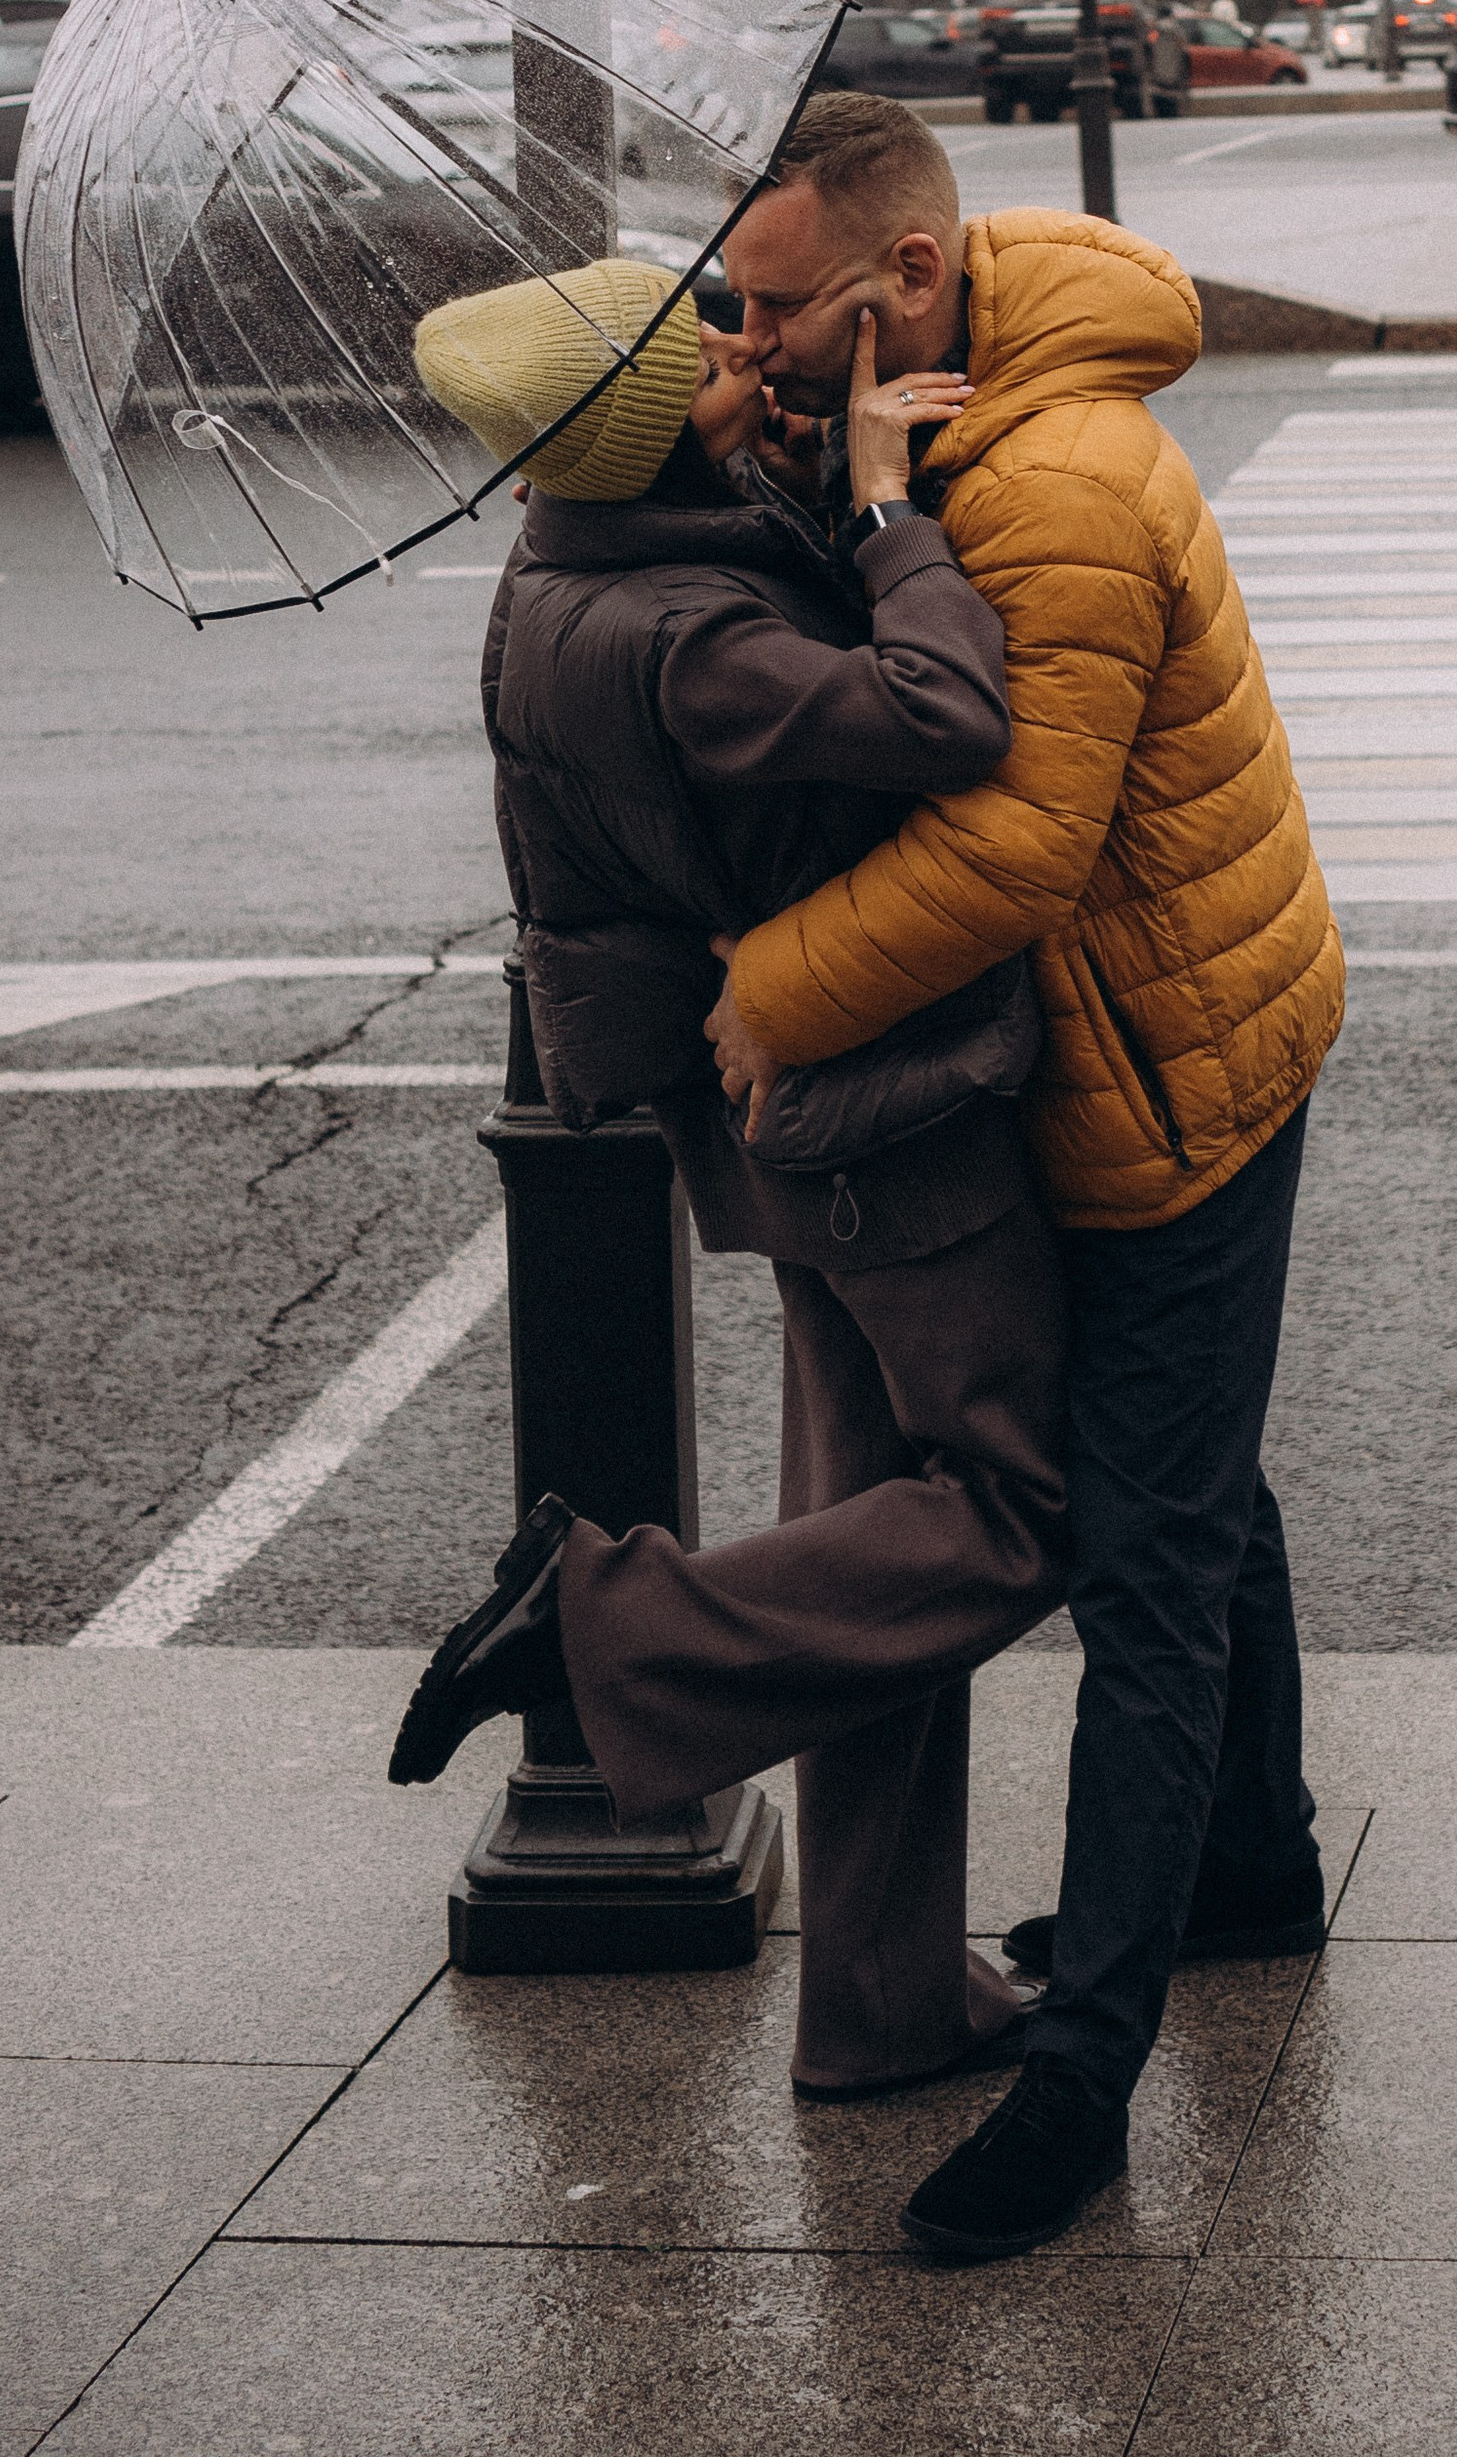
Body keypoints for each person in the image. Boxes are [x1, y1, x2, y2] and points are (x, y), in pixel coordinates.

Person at [702, 92, 1344, 2259]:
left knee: (1141, 1558)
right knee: (1199, 1476)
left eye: (776, 308)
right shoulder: (948, 413)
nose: (749, 331)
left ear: (899, 285)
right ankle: (1250, 1864)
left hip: (1174, 1076)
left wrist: (774, 988)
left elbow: (1017, 842)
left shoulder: (1052, 477)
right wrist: (812, 460)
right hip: (1162, 1023)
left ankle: (1079, 2088)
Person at [389, 250, 1070, 2103]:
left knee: (876, 1551)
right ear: (633, 419)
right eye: (692, 343)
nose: (735, 343)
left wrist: (819, 467)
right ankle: (604, 1622)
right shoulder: (684, 636)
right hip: (876, 1110)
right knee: (1025, 1507)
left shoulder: (584, 554)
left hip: (794, 1128)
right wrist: (880, 510)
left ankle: (880, 1999)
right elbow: (945, 718)